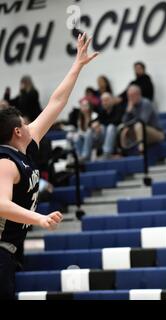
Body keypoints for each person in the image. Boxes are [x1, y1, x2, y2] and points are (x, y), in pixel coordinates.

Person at [0, 32, 98, 300]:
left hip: (10, 250)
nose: (31, 123)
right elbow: (1, 204)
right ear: (18, 131)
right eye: (24, 122)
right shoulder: (5, 162)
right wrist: (39, 218)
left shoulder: (25, 146)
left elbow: (56, 102)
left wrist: (77, 65)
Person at [120, 85, 164, 154]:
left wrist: (130, 124)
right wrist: (128, 112)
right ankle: (123, 153)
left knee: (139, 125)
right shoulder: (131, 106)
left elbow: (143, 121)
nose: (130, 98)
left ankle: (141, 151)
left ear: (138, 95)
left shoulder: (146, 103)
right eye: (128, 96)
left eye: (132, 96)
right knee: (123, 130)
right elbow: (124, 122)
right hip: (141, 132)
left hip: (157, 133)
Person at [81, 93, 124, 160]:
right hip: (104, 136)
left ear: (112, 100)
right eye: (103, 101)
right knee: (90, 130)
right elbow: (93, 122)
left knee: (110, 127)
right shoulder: (102, 111)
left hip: (116, 135)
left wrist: (99, 124)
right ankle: (85, 155)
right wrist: (94, 125)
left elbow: (116, 121)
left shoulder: (118, 108)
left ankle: (107, 153)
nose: (104, 103)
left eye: (106, 100)